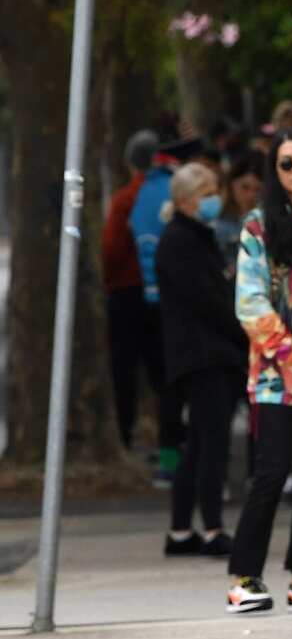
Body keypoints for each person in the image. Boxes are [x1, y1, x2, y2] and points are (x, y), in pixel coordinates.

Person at [226, 128, 292, 614]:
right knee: (269, 475)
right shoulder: (258, 227)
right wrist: (289, 352)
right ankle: (244, 577)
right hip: (274, 376)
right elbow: (249, 303)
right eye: (286, 163)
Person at [156, 163, 249, 557]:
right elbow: (210, 300)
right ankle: (212, 528)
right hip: (205, 356)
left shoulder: (192, 236)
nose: (215, 198)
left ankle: (181, 530)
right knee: (211, 444)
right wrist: (243, 332)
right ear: (185, 199)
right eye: (207, 191)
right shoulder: (182, 241)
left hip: (201, 355)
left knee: (197, 444)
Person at [130, 136, 202, 484]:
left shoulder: (142, 192)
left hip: (151, 300)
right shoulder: (167, 193)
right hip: (176, 308)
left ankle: (171, 461)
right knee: (178, 389)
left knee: (167, 388)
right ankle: (178, 462)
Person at [102, 129, 164, 452]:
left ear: (130, 163)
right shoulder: (168, 193)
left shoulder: (126, 199)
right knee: (163, 374)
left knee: (123, 371)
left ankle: (125, 439)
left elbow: (111, 250)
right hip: (163, 297)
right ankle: (171, 447)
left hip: (127, 293)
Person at [213, 151, 264, 271]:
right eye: (245, 187)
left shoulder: (267, 220)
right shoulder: (216, 218)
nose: (251, 196)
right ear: (232, 184)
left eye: (258, 190)